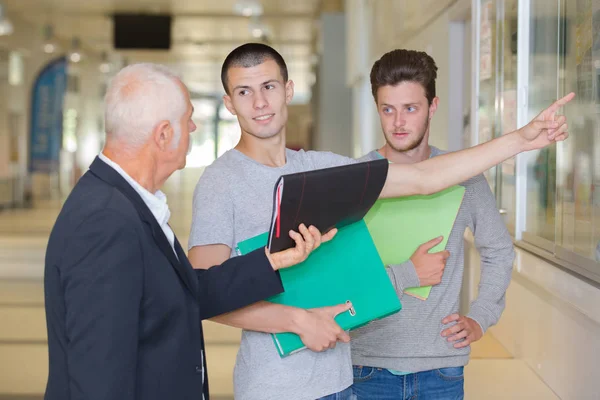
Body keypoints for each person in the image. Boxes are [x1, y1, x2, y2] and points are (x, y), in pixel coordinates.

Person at [187, 43, 572, 400]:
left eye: (268, 86)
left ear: (288, 90)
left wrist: (520, 139)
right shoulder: (222, 182)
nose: (259, 103)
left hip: (340, 381)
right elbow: (203, 291)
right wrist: (296, 320)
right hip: (274, 386)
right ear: (228, 102)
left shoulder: (323, 168)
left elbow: (424, 178)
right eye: (244, 92)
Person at [43, 63, 338, 400]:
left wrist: (271, 260)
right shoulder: (105, 222)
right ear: (164, 134)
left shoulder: (129, 204)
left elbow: (187, 291)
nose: (195, 127)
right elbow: (98, 379)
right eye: (188, 119)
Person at [349, 48, 515, 399]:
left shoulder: (464, 176)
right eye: (387, 109)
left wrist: (481, 316)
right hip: (366, 366)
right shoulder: (358, 179)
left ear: (432, 107)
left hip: (441, 369)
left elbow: (498, 250)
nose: (398, 123)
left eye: (410, 108)